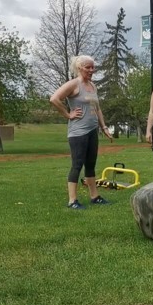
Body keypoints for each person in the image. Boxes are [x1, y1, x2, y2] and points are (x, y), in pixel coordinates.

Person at [50, 55, 113, 209]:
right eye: (88, 67)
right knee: (77, 165)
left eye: (93, 67)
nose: (92, 70)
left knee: (90, 165)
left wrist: (104, 127)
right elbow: (54, 99)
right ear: (79, 68)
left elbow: (97, 109)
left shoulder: (93, 86)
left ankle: (95, 196)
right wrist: (68, 114)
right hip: (78, 132)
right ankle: (72, 201)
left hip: (92, 131)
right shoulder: (74, 84)